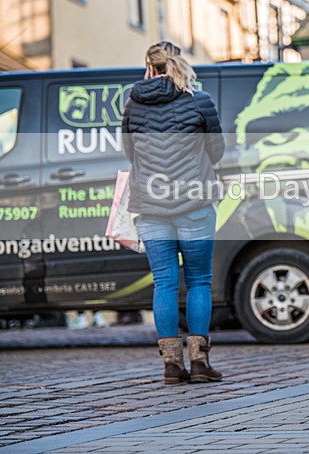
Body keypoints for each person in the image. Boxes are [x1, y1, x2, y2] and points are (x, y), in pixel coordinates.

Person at [122, 41, 225, 384]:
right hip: (195, 205)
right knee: (198, 281)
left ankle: (170, 365)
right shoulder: (200, 102)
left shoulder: (132, 106)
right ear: (179, 64)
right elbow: (217, 150)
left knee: (164, 283)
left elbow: (129, 153)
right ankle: (199, 363)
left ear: (149, 68)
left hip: (150, 208)